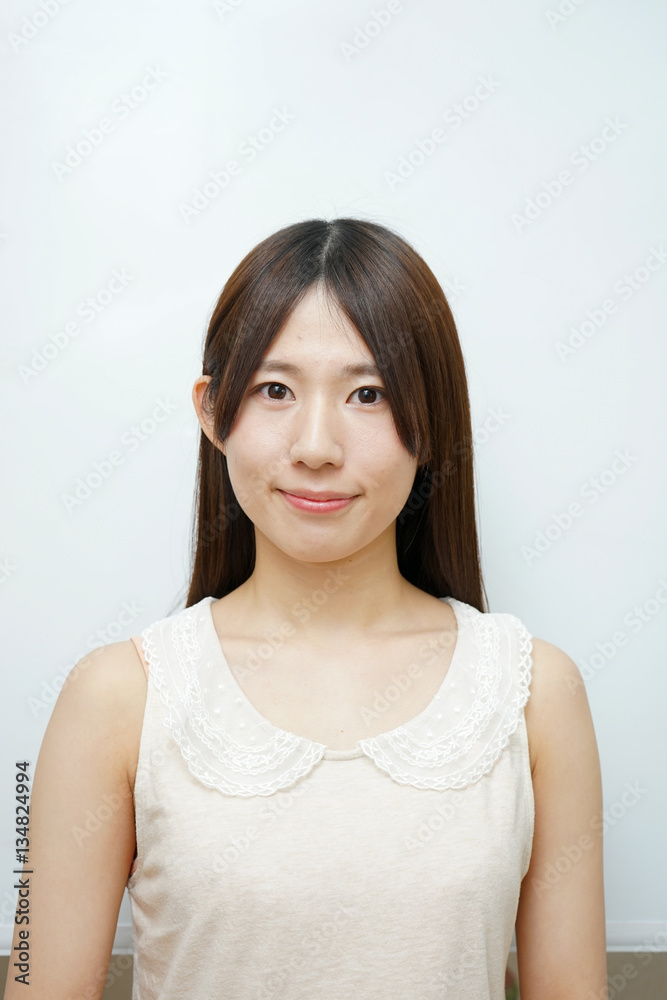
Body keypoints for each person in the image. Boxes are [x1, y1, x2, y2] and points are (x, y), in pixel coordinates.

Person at [4, 218, 607, 1000]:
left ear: (432, 418)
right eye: (274, 390)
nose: (316, 445)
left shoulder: (533, 692)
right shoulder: (118, 695)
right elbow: (34, 983)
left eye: (369, 393)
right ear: (212, 409)